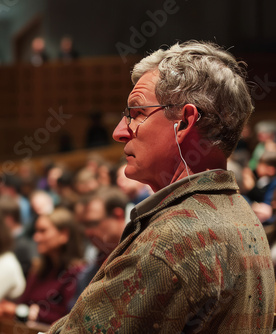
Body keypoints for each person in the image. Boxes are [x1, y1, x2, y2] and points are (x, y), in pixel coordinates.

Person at [47, 41, 275, 333]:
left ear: (184, 122)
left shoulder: (172, 241)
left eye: (137, 113)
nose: (119, 131)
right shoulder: (243, 215)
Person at [0, 208, 84, 324]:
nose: (36, 237)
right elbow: (22, 304)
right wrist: (5, 310)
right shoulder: (38, 269)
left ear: (64, 234)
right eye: (36, 231)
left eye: (43, 231)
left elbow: (68, 319)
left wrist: (23, 312)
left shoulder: (78, 273)